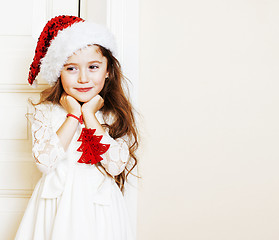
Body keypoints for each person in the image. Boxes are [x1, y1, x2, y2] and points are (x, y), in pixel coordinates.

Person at [15, 15, 138, 240]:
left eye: (93, 67)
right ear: (58, 73)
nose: (83, 78)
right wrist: (73, 115)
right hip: (55, 204)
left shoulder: (113, 113)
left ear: (108, 70)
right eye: (71, 68)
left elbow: (115, 165)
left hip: (100, 210)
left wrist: (89, 115)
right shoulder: (46, 112)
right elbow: (44, 161)